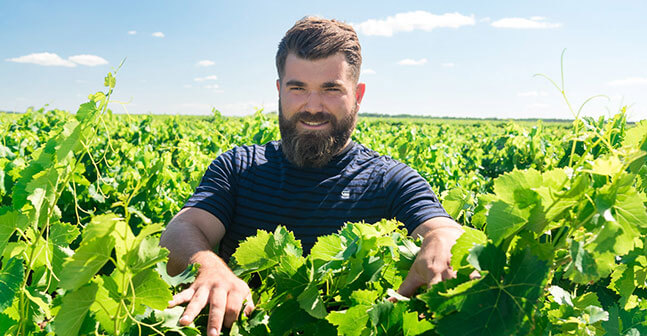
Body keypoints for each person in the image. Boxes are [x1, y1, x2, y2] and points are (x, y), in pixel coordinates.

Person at [160, 16, 465, 336]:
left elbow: (442, 229)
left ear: (358, 95)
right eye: (298, 88)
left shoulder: (390, 181)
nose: (313, 106)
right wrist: (208, 267)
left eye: (331, 89)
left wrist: (443, 241)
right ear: (279, 91)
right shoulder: (237, 168)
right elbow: (183, 229)